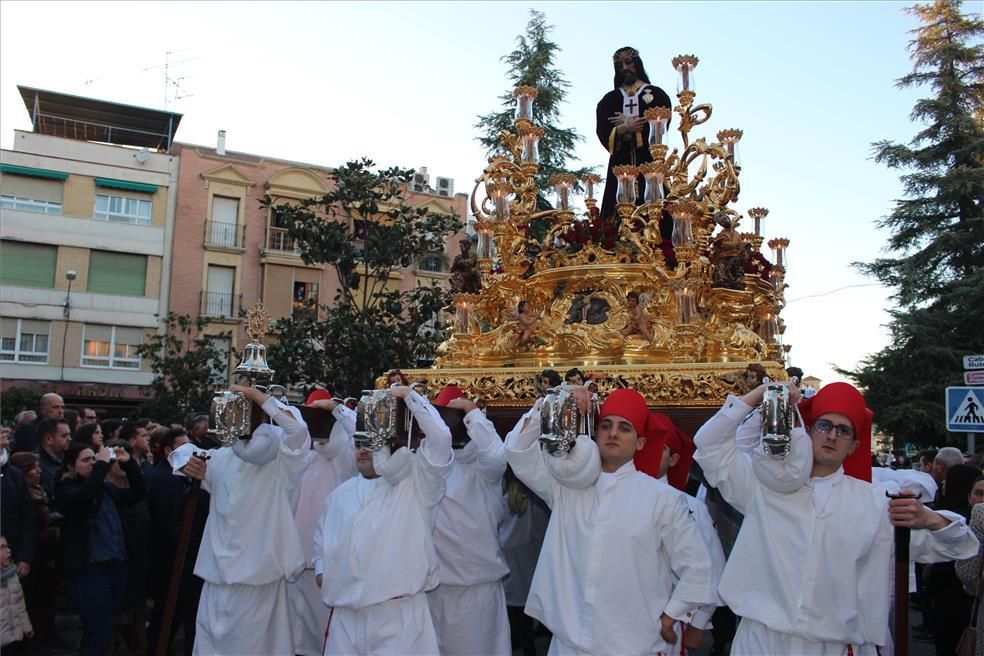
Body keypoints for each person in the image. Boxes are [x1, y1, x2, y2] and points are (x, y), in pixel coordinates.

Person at [693, 381, 979, 653]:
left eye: (843, 431)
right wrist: (763, 393)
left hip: (836, 646)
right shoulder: (762, 488)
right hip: (761, 642)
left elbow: (959, 546)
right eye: (824, 425)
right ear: (807, 431)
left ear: (854, 445)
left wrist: (931, 519)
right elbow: (709, 444)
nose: (831, 435)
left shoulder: (876, 504)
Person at [505, 386, 718, 655]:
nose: (613, 433)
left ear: (640, 443)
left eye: (624, 428)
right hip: (567, 646)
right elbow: (517, 451)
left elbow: (699, 569)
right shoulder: (567, 487)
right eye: (606, 425)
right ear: (595, 433)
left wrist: (671, 616)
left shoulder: (662, 499)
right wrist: (554, 401)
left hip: (631, 646)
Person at [169, 384, 310, 656]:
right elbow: (180, 453)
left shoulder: (283, 462)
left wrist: (258, 396)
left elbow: (298, 431)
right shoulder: (221, 458)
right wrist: (187, 463)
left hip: (259, 581)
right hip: (216, 579)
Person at [313, 384, 452, 656]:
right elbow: (321, 543)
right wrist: (322, 571)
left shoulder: (416, 484)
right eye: (358, 443)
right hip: (345, 620)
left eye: (371, 443)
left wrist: (410, 397)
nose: (363, 450)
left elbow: (441, 439)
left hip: (398, 619)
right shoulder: (338, 496)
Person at [428, 386, 511, 656]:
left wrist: (472, 413)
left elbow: (498, 455)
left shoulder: (484, 470)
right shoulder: (428, 466)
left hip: (476, 596)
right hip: (431, 592)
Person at [633, 412, 726, 649]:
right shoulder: (618, 497)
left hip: (669, 618)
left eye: (660, 449)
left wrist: (699, 622)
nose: (650, 454)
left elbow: (712, 567)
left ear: (673, 459)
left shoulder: (692, 507)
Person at [55, 442, 146, 656]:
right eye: (86, 460)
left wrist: (129, 464)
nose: (93, 464)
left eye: (93, 459)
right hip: (89, 570)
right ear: (71, 465)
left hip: (115, 566)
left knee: (103, 630)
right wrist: (102, 466)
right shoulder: (65, 488)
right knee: (99, 632)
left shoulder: (105, 488)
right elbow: (84, 498)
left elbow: (137, 494)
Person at [287, 391, 358, 656]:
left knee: (325, 640)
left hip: (330, 567)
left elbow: (362, 432)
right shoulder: (298, 456)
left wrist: (337, 410)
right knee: (295, 641)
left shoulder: (350, 456)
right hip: (295, 564)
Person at [596, 47, 672, 225]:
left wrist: (634, 126)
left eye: (628, 62)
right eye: (620, 65)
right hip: (620, 164)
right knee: (614, 215)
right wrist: (622, 129)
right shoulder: (610, 100)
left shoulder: (656, 95)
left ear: (637, 64)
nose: (624, 67)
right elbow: (602, 130)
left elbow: (661, 126)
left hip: (648, 162)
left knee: (658, 208)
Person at [0, 429, 36, 592]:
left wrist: (25, 556)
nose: (2, 431)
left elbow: (27, 517)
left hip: (13, 559)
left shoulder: (14, 475)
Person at [0, 535, 33, 653]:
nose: (8, 550)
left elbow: (20, 605)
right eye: (2, 547)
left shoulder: (13, 575)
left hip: (13, 639)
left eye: (7, 546)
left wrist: (26, 627)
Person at [37, 418, 71, 500]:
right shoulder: (37, 465)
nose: (70, 439)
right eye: (64, 435)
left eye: (69, 435)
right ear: (49, 439)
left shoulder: (67, 460)